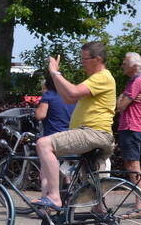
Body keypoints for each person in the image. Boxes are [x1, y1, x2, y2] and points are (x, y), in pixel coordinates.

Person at [36, 42, 116, 209]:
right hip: (94, 135)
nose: (82, 62)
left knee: (43, 144)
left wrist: (55, 72)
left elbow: (72, 92)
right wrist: (54, 76)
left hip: (93, 133)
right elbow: (69, 98)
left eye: (84, 59)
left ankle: (54, 197)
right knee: (94, 191)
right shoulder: (94, 79)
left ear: (98, 59)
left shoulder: (103, 76)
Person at [116, 52, 141, 193]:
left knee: (133, 166)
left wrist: (122, 97)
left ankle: (140, 206)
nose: (122, 65)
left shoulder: (137, 81)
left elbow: (120, 106)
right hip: (133, 127)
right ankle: (140, 204)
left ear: (135, 66)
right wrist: (123, 97)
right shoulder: (136, 81)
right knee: (131, 165)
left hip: (132, 127)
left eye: (125, 63)